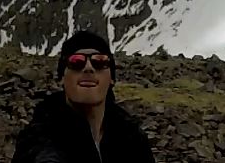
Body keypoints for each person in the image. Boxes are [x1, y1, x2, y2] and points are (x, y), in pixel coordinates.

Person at [11, 30, 155, 163]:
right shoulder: (39, 136)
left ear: (112, 78)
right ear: (62, 77)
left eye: (99, 62)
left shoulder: (132, 138)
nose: (88, 68)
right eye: (76, 62)